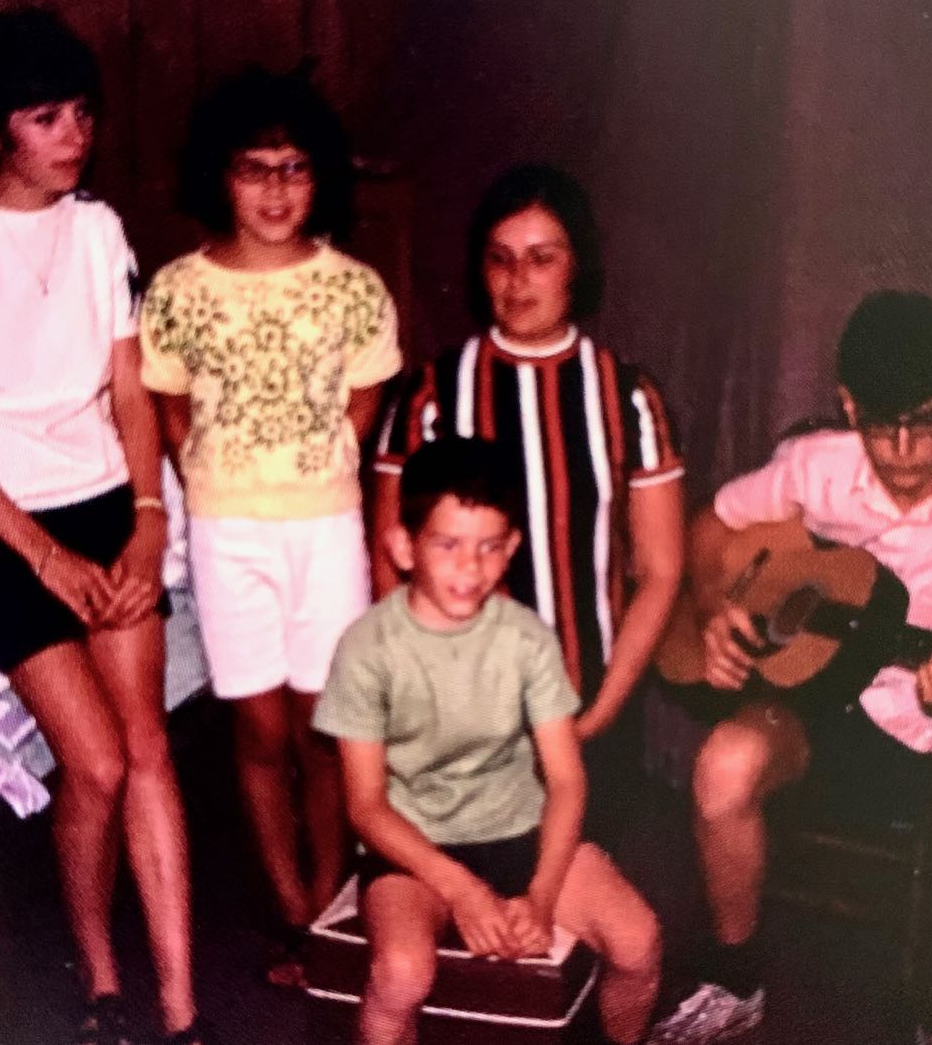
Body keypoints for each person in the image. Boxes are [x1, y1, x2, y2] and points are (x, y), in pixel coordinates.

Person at [0, 9, 205, 1045]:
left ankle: (182, 1008)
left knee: (148, 746)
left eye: (83, 112)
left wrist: (150, 519)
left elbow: (130, 390)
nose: (75, 135)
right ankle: (101, 980)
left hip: (105, 501)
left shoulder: (100, 229)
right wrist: (45, 557)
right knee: (97, 762)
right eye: (45, 118)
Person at [664, 291, 932, 1045]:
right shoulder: (813, 465)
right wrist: (715, 606)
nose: (903, 449)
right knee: (722, 765)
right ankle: (736, 978)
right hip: (809, 709)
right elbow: (712, 523)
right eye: (882, 425)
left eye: (927, 421)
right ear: (849, 406)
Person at [138, 68, 401, 985]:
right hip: (227, 530)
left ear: (320, 176)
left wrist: (326, 458)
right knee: (258, 731)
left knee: (325, 728)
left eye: (295, 168)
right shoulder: (178, 289)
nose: (278, 190)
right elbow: (169, 405)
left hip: (324, 525)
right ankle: (288, 907)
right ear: (222, 176)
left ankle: (334, 903)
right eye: (255, 169)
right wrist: (209, 479)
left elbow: (367, 392)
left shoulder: (354, 287)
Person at [314, 437, 663, 1045]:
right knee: (401, 975)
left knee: (639, 941)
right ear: (403, 547)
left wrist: (541, 896)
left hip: (518, 831)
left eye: (489, 547)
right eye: (447, 545)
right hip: (414, 850)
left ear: (512, 548)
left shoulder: (528, 640)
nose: (469, 568)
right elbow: (366, 806)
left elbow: (566, 781)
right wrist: (464, 890)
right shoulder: (367, 649)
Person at [371, 164, 684, 841]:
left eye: (542, 259)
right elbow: (389, 561)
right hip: (458, 720)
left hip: (591, 703)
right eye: (501, 259)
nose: (518, 281)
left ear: (578, 267)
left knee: (584, 891)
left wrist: (600, 713)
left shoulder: (627, 396)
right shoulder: (429, 395)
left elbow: (661, 570)